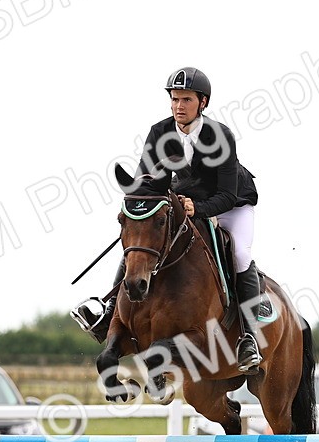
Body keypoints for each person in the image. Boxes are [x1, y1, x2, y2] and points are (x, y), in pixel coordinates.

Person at [73, 66, 271, 374]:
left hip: (231, 204)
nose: (179, 106)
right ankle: (109, 311)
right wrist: (141, 211)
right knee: (141, 244)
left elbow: (227, 195)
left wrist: (199, 210)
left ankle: (248, 337)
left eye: (186, 100)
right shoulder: (160, 132)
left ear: (202, 102)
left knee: (240, 253)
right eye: (175, 99)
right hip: (183, 202)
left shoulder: (220, 135)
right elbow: (145, 180)